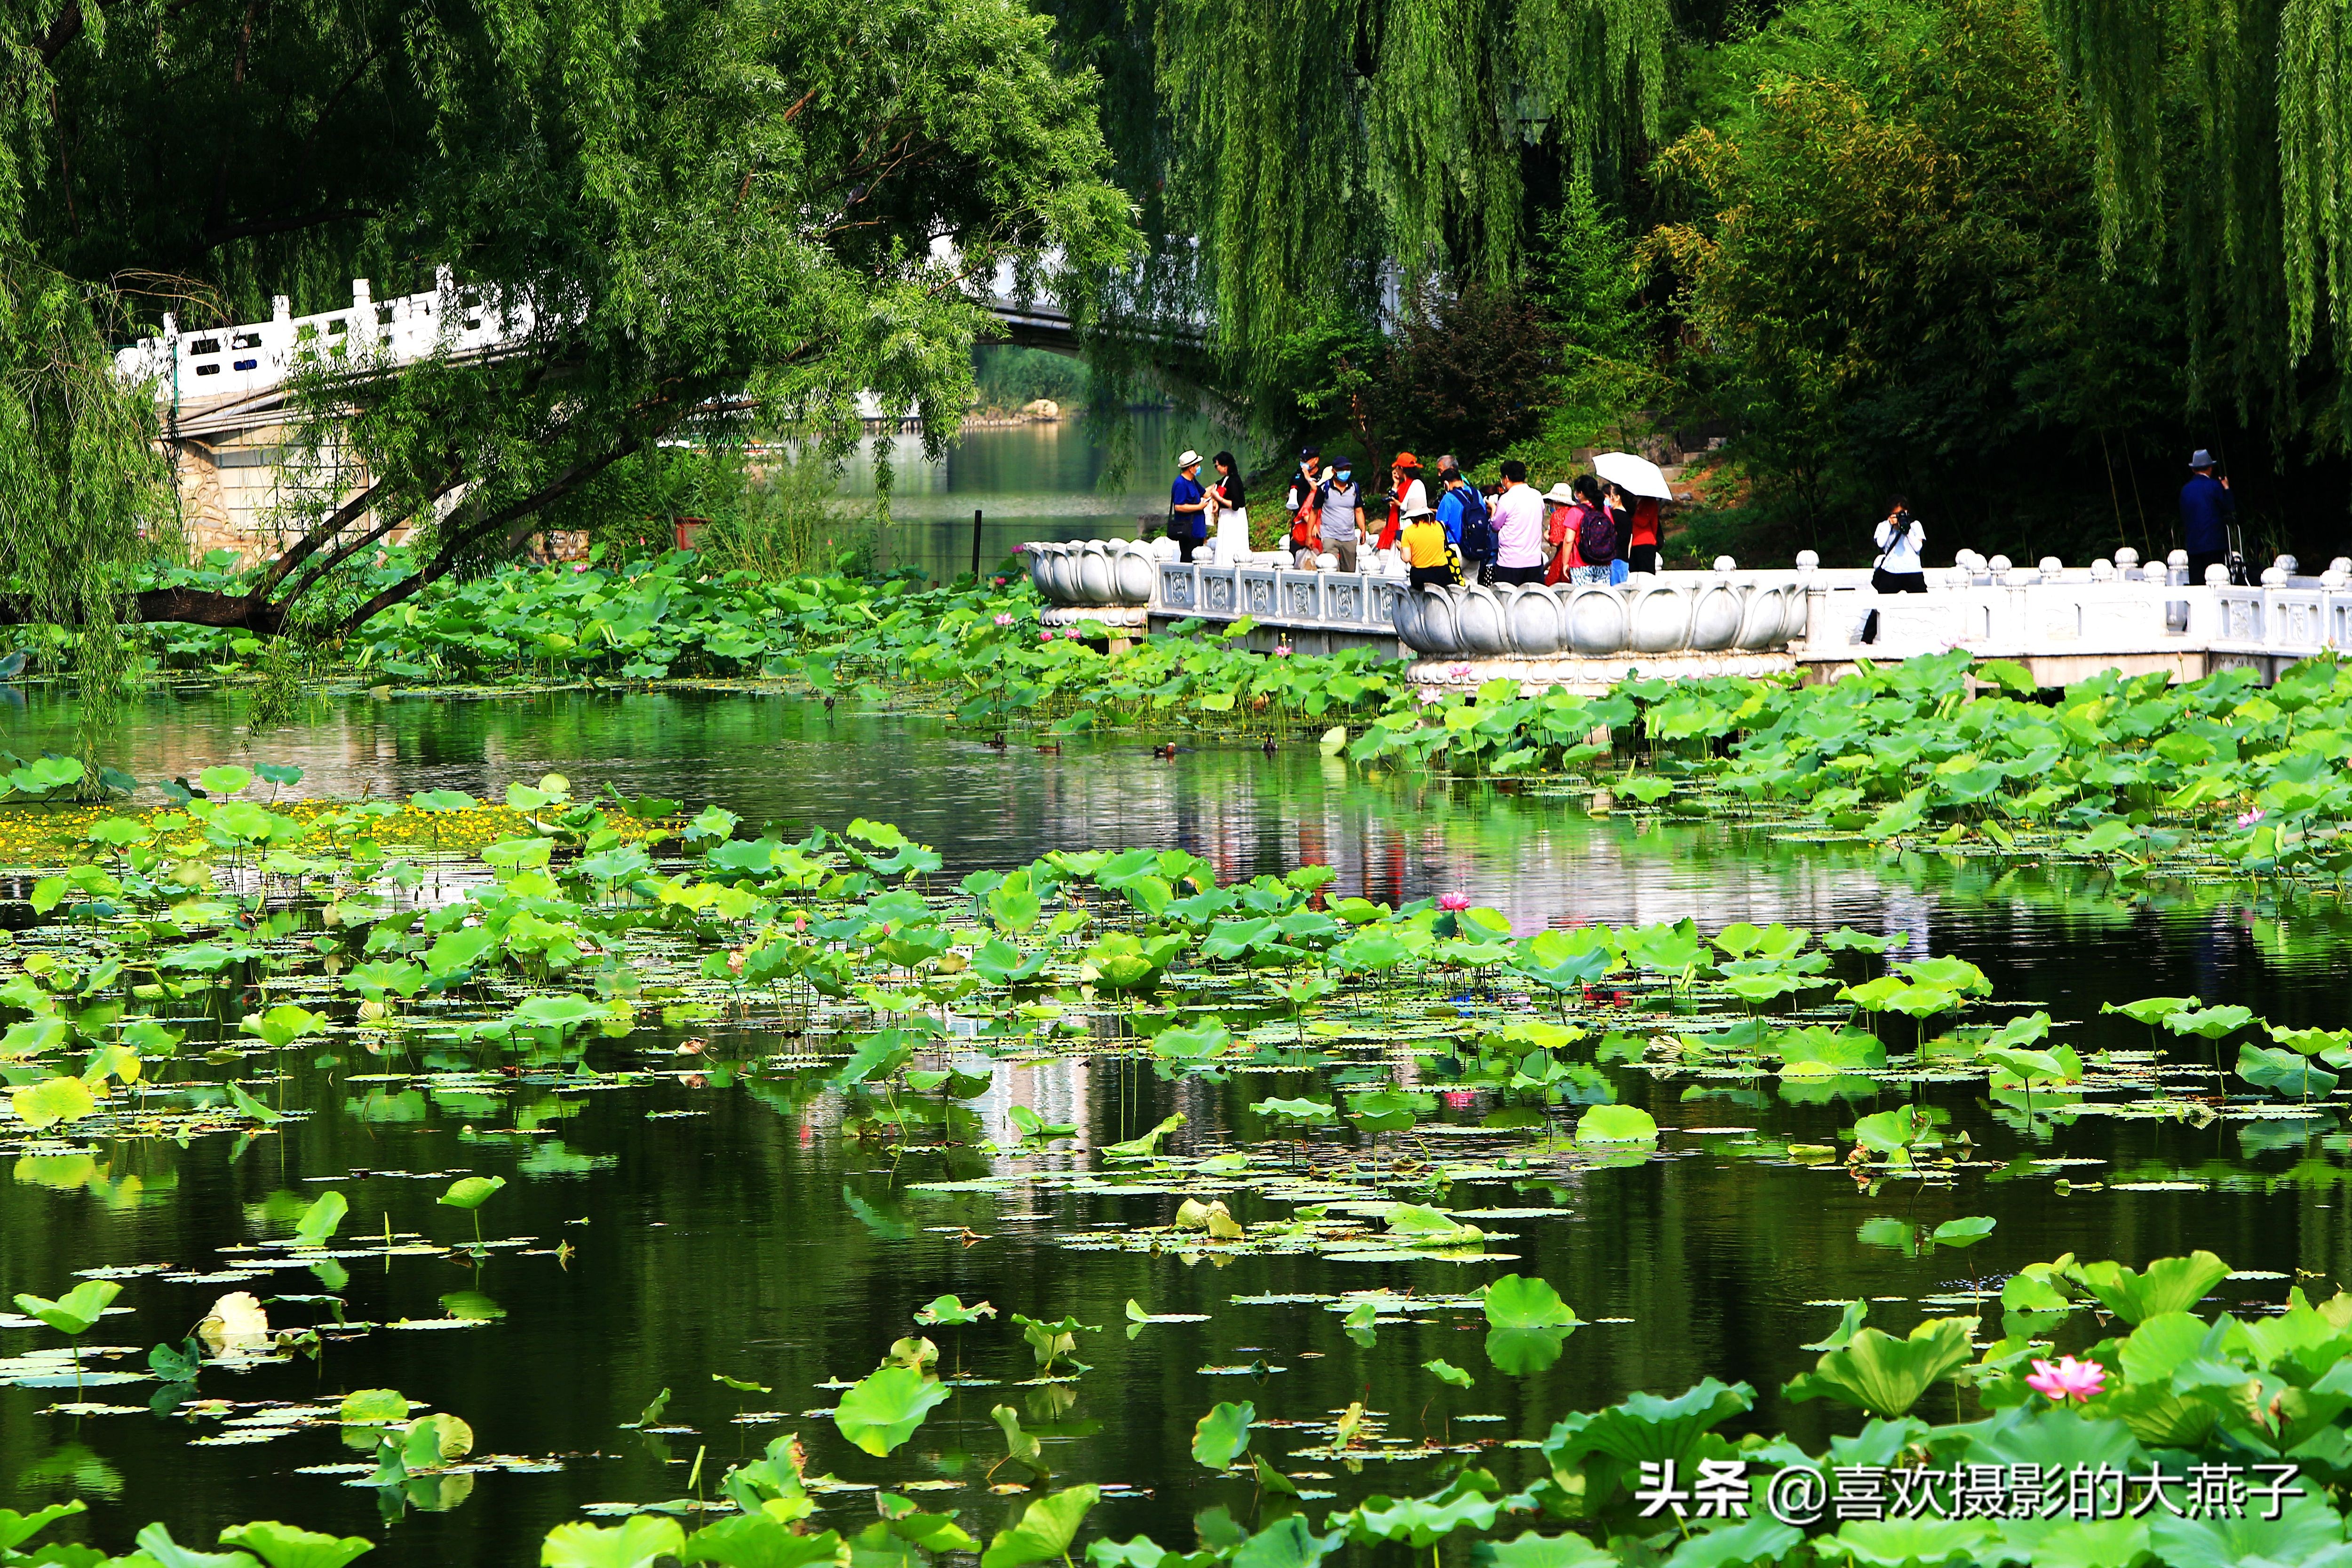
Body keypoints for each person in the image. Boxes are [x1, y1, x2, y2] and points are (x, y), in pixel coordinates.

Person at [1435, 458, 1493, 584]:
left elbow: (1439, 527)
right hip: (1477, 549)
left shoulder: (1448, 498)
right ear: (1461, 480)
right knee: (1471, 587)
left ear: (1446, 484)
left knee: (1451, 589)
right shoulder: (1477, 494)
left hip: (1456, 551)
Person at [2180, 450, 2234, 583]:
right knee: (2217, 582)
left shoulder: (2185, 490)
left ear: (2194, 470)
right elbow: (2229, 507)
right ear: (2210, 468)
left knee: (2198, 584)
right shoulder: (2215, 486)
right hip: (2214, 543)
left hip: (2194, 545)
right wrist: (2226, 488)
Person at [1488, 460, 1546, 584]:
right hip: (1534, 560)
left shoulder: (1507, 499)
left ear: (1507, 478)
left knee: (1508, 599)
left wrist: (1493, 509)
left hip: (1510, 561)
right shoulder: (1537, 496)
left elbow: (1495, 526)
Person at [1316, 458, 1367, 572]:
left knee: (1349, 572)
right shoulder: (1325, 488)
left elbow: (1358, 511)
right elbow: (1314, 512)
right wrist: (1310, 534)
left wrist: (1363, 528)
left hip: (1349, 537)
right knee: (1331, 569)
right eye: (1341, 469)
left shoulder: (1355, 488)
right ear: (1334, 471)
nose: (1345, 472)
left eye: (1347, 469)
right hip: (1330, 536)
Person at [1398, 494, 1459, 588]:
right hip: (1443, 573)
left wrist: (1400, 548)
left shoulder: (1408, 532)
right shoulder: (1440, 526)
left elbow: (1406, 558)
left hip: (1420, 576)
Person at [1565, 475, 1616, 584]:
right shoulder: (1605, 510)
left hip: (1581, 564)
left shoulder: (1575, 511)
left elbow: (1569, 540)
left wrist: (1565, 563)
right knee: (1602, 598)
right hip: (1604, 562)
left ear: (1581, 493)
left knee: (1583, 599)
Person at [1871, 497, 1927, 593]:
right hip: (1891, 570)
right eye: (1895, 514)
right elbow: (1881, 544)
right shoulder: (1883, 526)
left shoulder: (1915, 525)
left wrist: (1907, 529)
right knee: (1884, 602)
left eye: (1901, 513)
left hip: (1913, 570)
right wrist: (1890, 525)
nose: (1899, 517)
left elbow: (1918, 547)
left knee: (1921, 602)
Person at [1376, 452, 1427, 552]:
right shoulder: (1403, 485)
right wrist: (1395, 484)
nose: (1395, 471)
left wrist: (1399, 504)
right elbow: (1393, 503)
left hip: (1412, 528)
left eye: (1397, 468)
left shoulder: (1417, 484)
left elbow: (1419, 507)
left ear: (1402, 469)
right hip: (1401, 529)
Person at [1207, 451, 1250, 565]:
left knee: (1232, 546)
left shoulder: (1234, 481)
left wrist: (1219, 499)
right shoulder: (1225, 480)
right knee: (1224, 546)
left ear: (1225, 466)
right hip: (1225, 517)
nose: (1216, 468)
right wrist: (1215, 500)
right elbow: (1212, 489)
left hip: (1234, 518)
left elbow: (1236, 505)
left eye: (1217, 466)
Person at [1286, 447, 1324, 568]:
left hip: (1319, 524)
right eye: (1302, 460)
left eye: (1307, 460)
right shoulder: (1297, 476)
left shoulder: (1323, 476)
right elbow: (1293, 500)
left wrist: (1309, 478)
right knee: (1294, 559)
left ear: (1316, 460)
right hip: (1300, 523)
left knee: (1321, 559)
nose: (1304, 463)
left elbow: (1320, 493)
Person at [1168, 451, 1209, 562]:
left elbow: (1205, 493)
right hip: (1188, 530)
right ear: (1190, 468)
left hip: (1198, 529)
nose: (1198, 468)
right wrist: (1199, 507)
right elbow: (1179, 507)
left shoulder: (1193, 481)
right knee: (1188, 557)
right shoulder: (1181, 483)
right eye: (1197, 466)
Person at [1539, 481, 1579, 585]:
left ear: (1554, 502)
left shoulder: (1557, 515)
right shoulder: (1575, 512)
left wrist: (1547, 536)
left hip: (1563, 556)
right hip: (1577, 558)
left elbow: (1556, 541)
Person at [1626, 490, 1663, 574]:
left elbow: (1643, 521)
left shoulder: (1650, 502)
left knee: (1646, 574)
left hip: (1645, 542)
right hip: (1634, 542)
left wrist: (1632, 516)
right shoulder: (1639, 502)